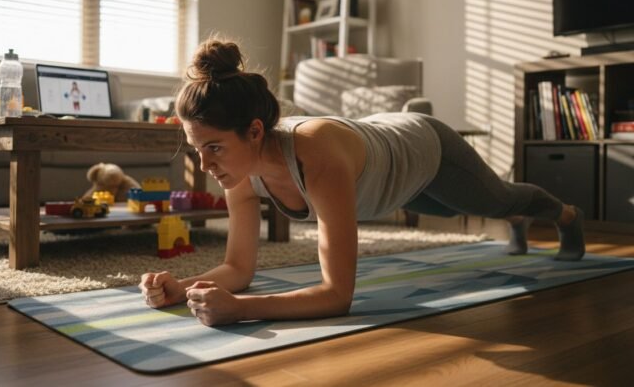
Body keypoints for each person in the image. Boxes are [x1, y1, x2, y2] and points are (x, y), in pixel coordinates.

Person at [139, 39, 585, 326]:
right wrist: (183, 286)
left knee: (498, 200)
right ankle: (519, 219)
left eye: (213, 147)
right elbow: (239, 269)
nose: (204, 164)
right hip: (383, 178)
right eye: (195, 148)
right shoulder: (236, 167)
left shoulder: (315, 153)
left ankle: (565, 215)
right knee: (455, 209)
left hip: (423, 150)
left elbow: (337, 296)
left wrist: (241, 309)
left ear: (255, 131)